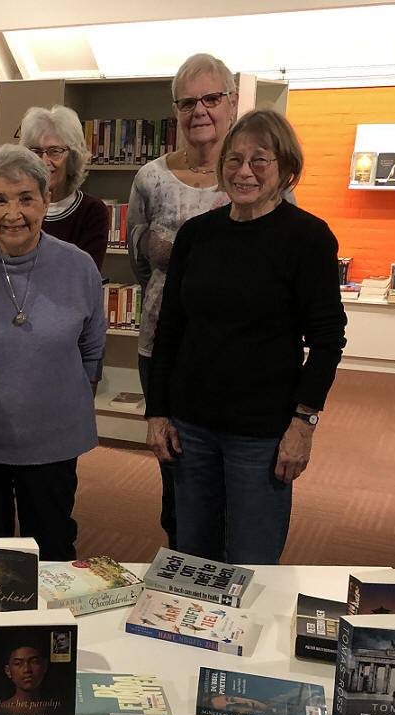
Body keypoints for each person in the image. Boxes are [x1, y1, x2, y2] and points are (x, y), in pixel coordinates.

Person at [145, 109, 346, 565]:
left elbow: (328, 340)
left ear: (286, 169)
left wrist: (303, 424)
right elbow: (170, 328)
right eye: (234, 160)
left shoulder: (308, 238)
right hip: (190, 427)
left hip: (262, 434)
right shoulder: (197, 235)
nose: (244, 171)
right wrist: (157, 412)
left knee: (253, 562)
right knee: (193, 556)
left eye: (261, 160)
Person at [0, 145, 104, 561]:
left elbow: (92, 347)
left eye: (25, 199)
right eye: (0, 200)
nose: (13, 213)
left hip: (52, 443)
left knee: (52, 549)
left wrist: (62, 408)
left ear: (47, 201)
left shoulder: (79, 266)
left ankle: (47, 629)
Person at [128, 53, 241, 551]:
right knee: (175, 466)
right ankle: (180, 561)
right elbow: (137, 260)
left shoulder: (253, 173)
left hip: (233, 351)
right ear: (175, 110)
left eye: (211, 98)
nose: (200, 110)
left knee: (234, 468)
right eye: (188, 102)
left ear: (232, 102)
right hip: (162, 346)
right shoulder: (150, 178)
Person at [19, 105, 108, 272]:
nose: (44, 161)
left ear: (73, 156)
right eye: (36, 152)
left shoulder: (92, 211)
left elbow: (84, 276)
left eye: (54, 151)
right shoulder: (19, 208)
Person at [0, 641, 51, 712]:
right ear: (8, 671)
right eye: (18, 663)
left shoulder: (58, 709)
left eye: (34, 661)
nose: (27, 669)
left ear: (45, 666)